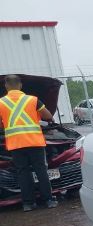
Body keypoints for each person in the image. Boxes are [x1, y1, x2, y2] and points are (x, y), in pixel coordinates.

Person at [0, 75, 58, 211]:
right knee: (41, 171)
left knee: (23, 172)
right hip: (35, 142)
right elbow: (48, 116)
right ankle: (48, 200)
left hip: (16, 144)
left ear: (6, 86)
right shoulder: (33, 100)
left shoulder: (1, 103)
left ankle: (28, 204)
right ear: (20, 85)